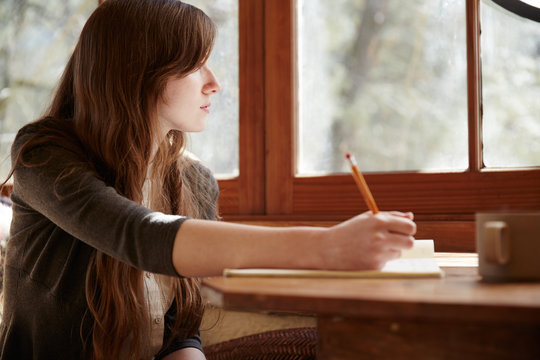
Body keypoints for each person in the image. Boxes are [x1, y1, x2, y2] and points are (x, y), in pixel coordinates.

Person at [0, 0, 416, 359]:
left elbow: (180, 328)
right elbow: (140, 236)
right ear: (138, 71)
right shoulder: (43, 153)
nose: (214, 83)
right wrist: (328, 247)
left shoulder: (193, 178)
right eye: (196, 65)